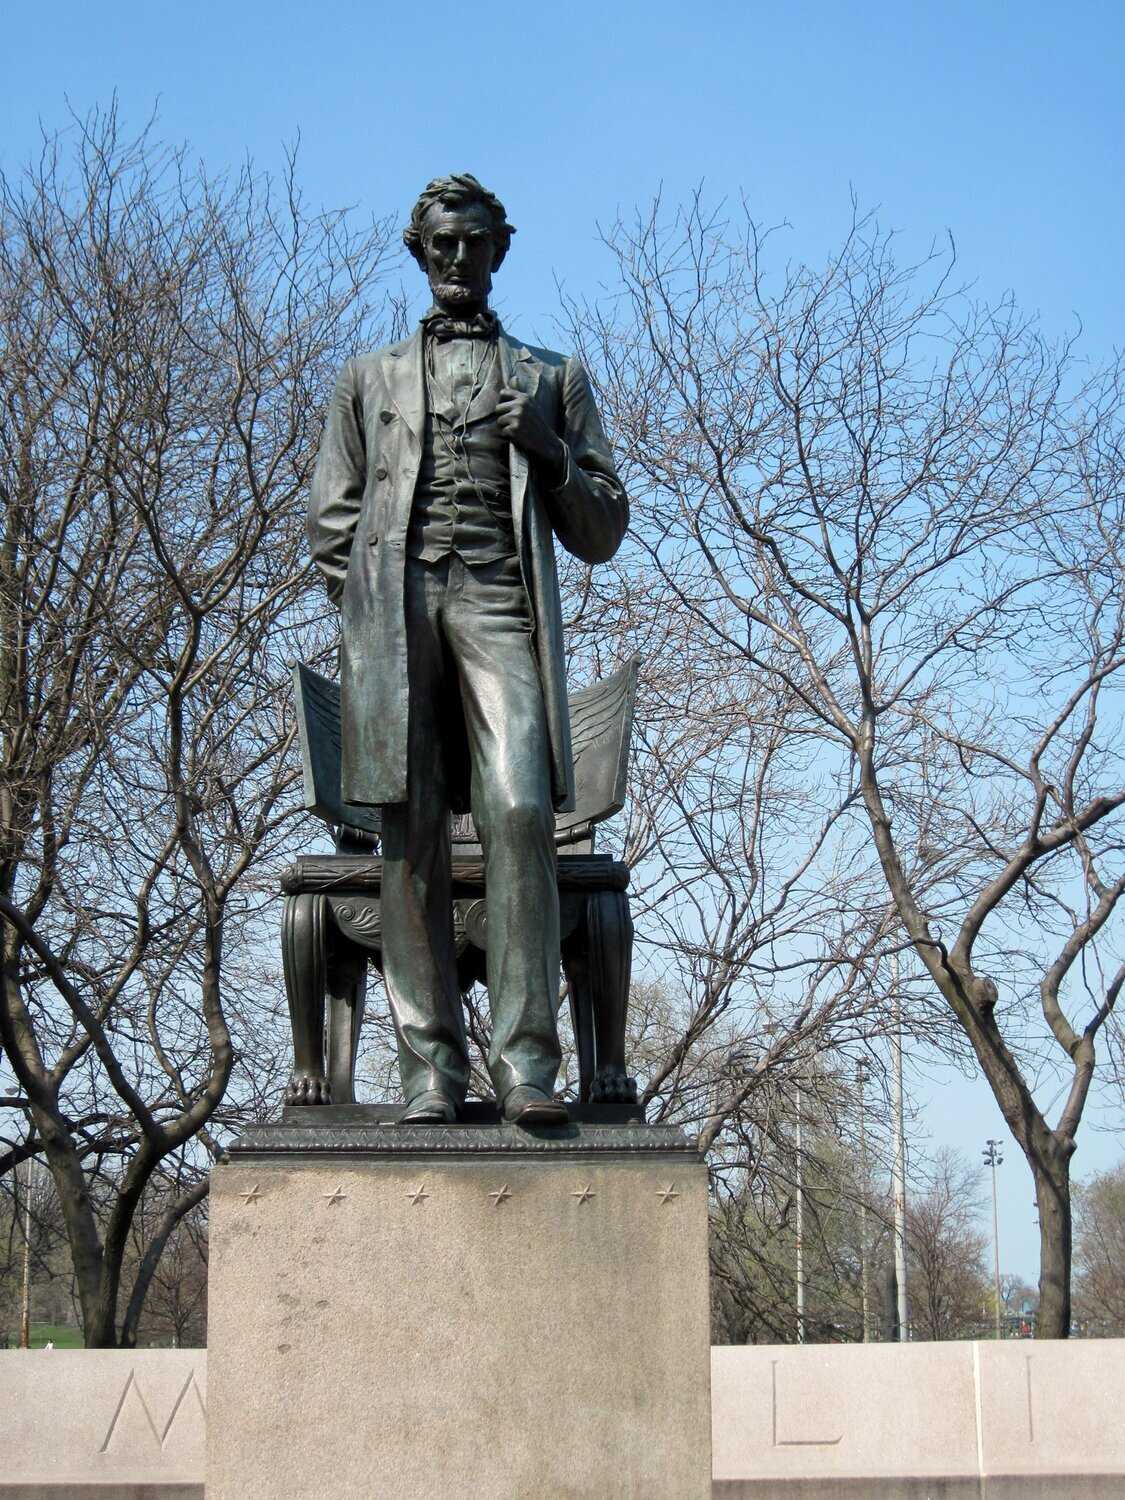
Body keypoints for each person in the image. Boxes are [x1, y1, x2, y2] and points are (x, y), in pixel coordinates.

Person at [308, 175, 628, 1125]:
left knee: (522, 808)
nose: (456, 258)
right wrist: (370, 608)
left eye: (473, 242)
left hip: (498, 600)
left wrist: (551, 452)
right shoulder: (366, 378)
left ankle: (527, 1064)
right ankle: (429, 1071)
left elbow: (603, 528)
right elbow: (332, 522)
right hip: (395, 612)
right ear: (419, 250)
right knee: (407, 829)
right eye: (440, 243)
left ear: (500, 249)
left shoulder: (551, 375)